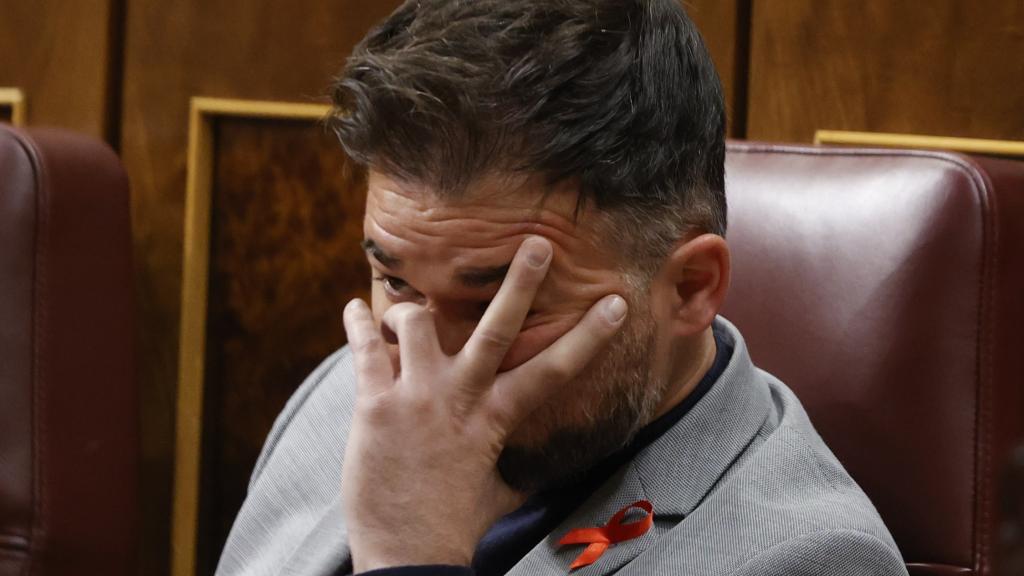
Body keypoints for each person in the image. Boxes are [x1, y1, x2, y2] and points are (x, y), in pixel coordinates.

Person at [216, 1, 909, 574]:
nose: (428, 362)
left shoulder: (815, 558)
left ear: (691, 288)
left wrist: (410, 558)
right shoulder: (351, 393)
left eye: (497, 308)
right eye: (395, 279)